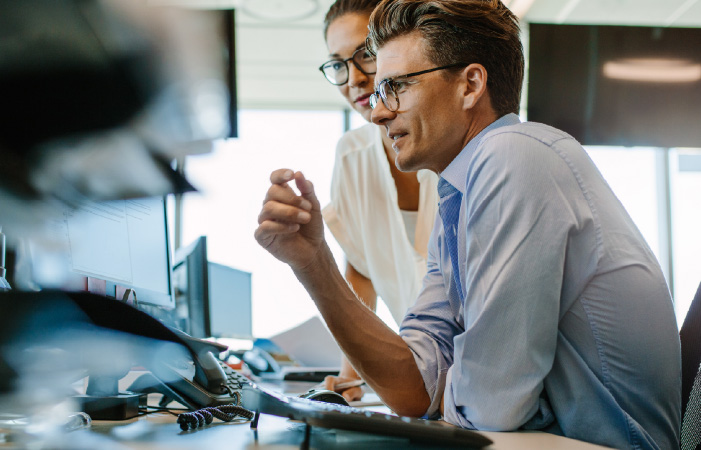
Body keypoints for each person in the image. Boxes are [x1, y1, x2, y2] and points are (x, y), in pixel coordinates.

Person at [254, 0, 681, 448]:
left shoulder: (514, 156)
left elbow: (488, 406)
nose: (378, 113)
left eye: (396, 87)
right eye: (380, 93)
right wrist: (313, 264)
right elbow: (416, 388)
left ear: (470, 85)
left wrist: (443, 390)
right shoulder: (455, 198)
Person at [318, 0, 438, 401]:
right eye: (338, 64)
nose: (353, 78)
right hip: (422, 381)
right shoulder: (352, 155)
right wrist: (350, 376)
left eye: (366, 55)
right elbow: (362, 269)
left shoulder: (448, 139)